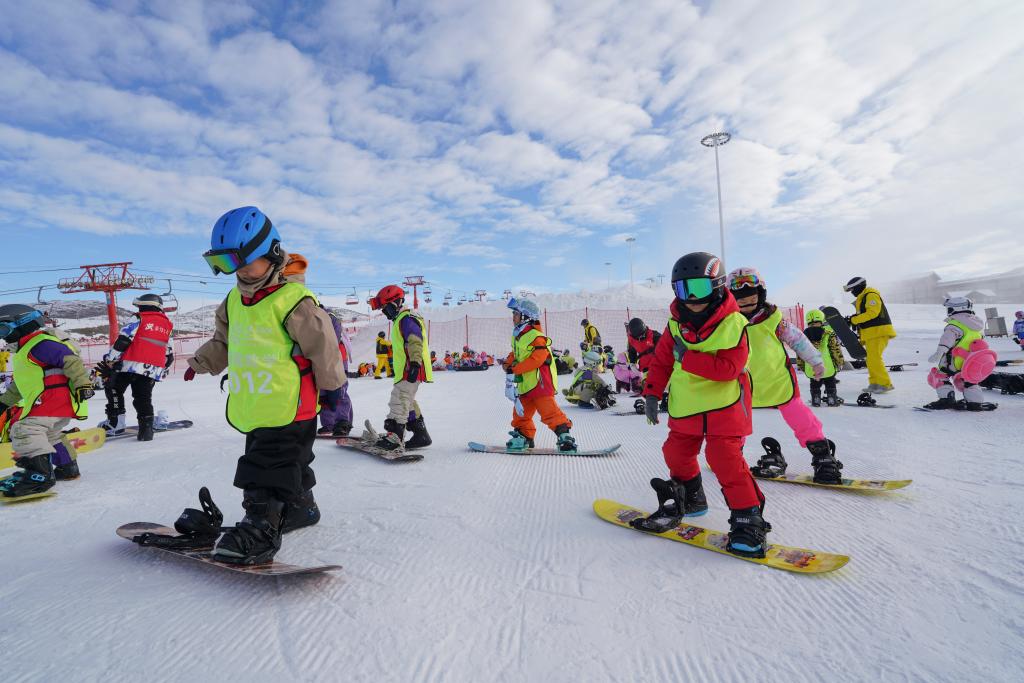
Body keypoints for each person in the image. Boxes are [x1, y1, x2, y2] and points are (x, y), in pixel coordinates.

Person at [185, 206, 345, 565]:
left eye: (244, 261)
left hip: (293, 403)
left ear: (272, 254)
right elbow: (224, 343)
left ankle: (260, 528)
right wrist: (199, 363)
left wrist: (334, 391)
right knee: (291, 460)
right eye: (227, 263)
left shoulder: (294, 301)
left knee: (267, 466)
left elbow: (324, 348)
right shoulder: (233, 302)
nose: (238, 270)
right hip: (257, 403)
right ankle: (301, 508)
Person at [632, 252, 769, 558]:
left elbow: (729, 369)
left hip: (726, 405)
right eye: (683, 290)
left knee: (724, 459)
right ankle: (692, 497)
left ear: (718, 286)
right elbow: (662, 359)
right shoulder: (675, 323)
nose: (691, 297)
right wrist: (652, 393)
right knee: (675, 452)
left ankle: (749, 519)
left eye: (699, 288)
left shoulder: (735, 324)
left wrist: (688, 357)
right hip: (688, 404)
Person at [728, 268, 843, 485]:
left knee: (801, 417)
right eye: (740, 299)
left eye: (752, 296)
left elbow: (798, 340)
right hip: (743, 385)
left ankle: (823, 456)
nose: (747, 302)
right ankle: (731, 458)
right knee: (734, 424)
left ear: (761, 295)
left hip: (778, 381)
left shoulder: (774, 320)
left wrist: (816, 360)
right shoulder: (728, 323)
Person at [0, 304, 93, 497]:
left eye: (3, 329)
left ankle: (39, 476)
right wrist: (4, 403)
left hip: (51, 399)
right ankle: (68, 468)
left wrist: (83, 384)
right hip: (53, 402)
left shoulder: (40, 343)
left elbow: (70, 360)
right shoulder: (25, 351)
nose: (2, 336)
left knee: (25, 429)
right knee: (51, 434)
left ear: (23, 324)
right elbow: (21, 385)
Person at [97, 293, 174, 441]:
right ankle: (146, 429)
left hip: (130, 364)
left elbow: (124, 340)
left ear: (143, 306)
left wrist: (110, 358)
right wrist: (162, 368)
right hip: (152, 368)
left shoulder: (139, 318)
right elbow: (169, 352)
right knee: (143, 397)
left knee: (113, 388)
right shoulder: (167, 324)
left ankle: (115, 423)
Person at [504, 298, 576, 450]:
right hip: (525, 382)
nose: (513, 317)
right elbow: (516, 352)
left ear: (526, 317)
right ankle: (525, 436)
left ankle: (565, 437)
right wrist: (508, 363)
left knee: (548, 411)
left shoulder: (536, 336)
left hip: (540, 381)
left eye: (516, 314)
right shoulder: (518, 334)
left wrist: (515, 369)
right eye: (513, 314)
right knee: (520, 412)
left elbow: (538, 358)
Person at [369, 285, 432, 451]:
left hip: (410, 368)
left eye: (386, 308)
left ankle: (396, 438)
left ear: (396, 303)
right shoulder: (401, 320)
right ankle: (421, 435)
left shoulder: (407, 319)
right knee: (408, 401)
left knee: (399, 399)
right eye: (383, 309)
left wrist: (415, 364)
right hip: (407, 369)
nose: (385, 312)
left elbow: (415, 341)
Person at [923, 297, 997, 411]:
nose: (948, 311)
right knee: (969, 381)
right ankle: (975, 403)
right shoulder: (976, 326)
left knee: (941, 376)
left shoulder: (955, 324)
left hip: (953, 361)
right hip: (969, 362)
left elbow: (947, 339)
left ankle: (946, 399)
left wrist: (939, 352)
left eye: (949, 308)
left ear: (956, 308)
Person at [844, 276, 896, 393]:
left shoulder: (871, 295)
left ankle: (884, 384)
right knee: (871, 360)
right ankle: (875, 383)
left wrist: (854, 320)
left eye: (852, 290)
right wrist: (853, 319)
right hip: (871, 333)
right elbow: (865, 316)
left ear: (858, 286)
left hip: (879, 331)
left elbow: (873, 313)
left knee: (875, 359)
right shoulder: (862, 298)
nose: (852, 292)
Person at [317, 307, 354, 437]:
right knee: (323, 392)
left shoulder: (329, 317)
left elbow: (334, 338)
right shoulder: (311, 316)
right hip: (321, 360)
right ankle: (328, 424)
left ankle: (342, 423)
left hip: (337, 358)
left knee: (339, 390)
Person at [799, 309, 846, 407]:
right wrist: (839, 361)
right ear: (821, 321)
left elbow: (800, 353)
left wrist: (802, 366)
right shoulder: (828, 334)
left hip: (812, 367)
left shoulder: (802, 337)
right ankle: (832, 399)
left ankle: (815, 399)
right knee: (830, 382)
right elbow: (835, 349)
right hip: (827, 366)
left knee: (814, 383)